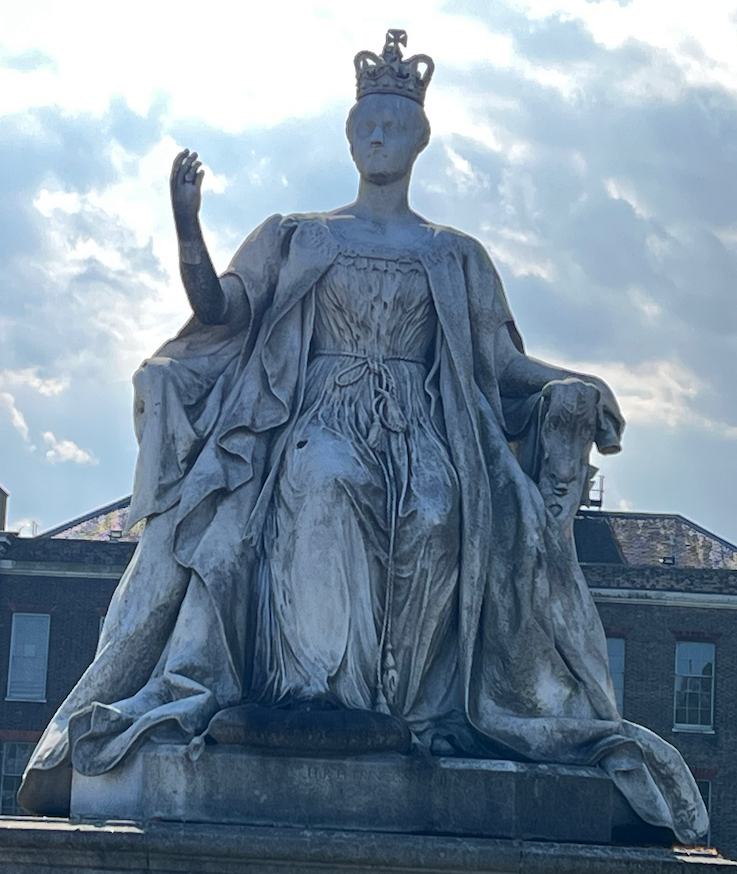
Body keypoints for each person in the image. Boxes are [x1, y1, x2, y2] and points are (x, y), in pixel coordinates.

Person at [19, 30, 707, 842]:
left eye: (392, 128)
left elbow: (498, 363)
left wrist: (576, 385)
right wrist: (186, 226)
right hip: (312, 420)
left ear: (417, 141)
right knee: (324, 481)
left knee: (434, 509)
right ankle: (316, 699)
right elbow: (218, 315)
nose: (377, 139)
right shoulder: (297, 234)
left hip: (424, 432)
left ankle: (403, 711)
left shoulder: (455, 256)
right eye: (365, 128)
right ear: (350, 138)